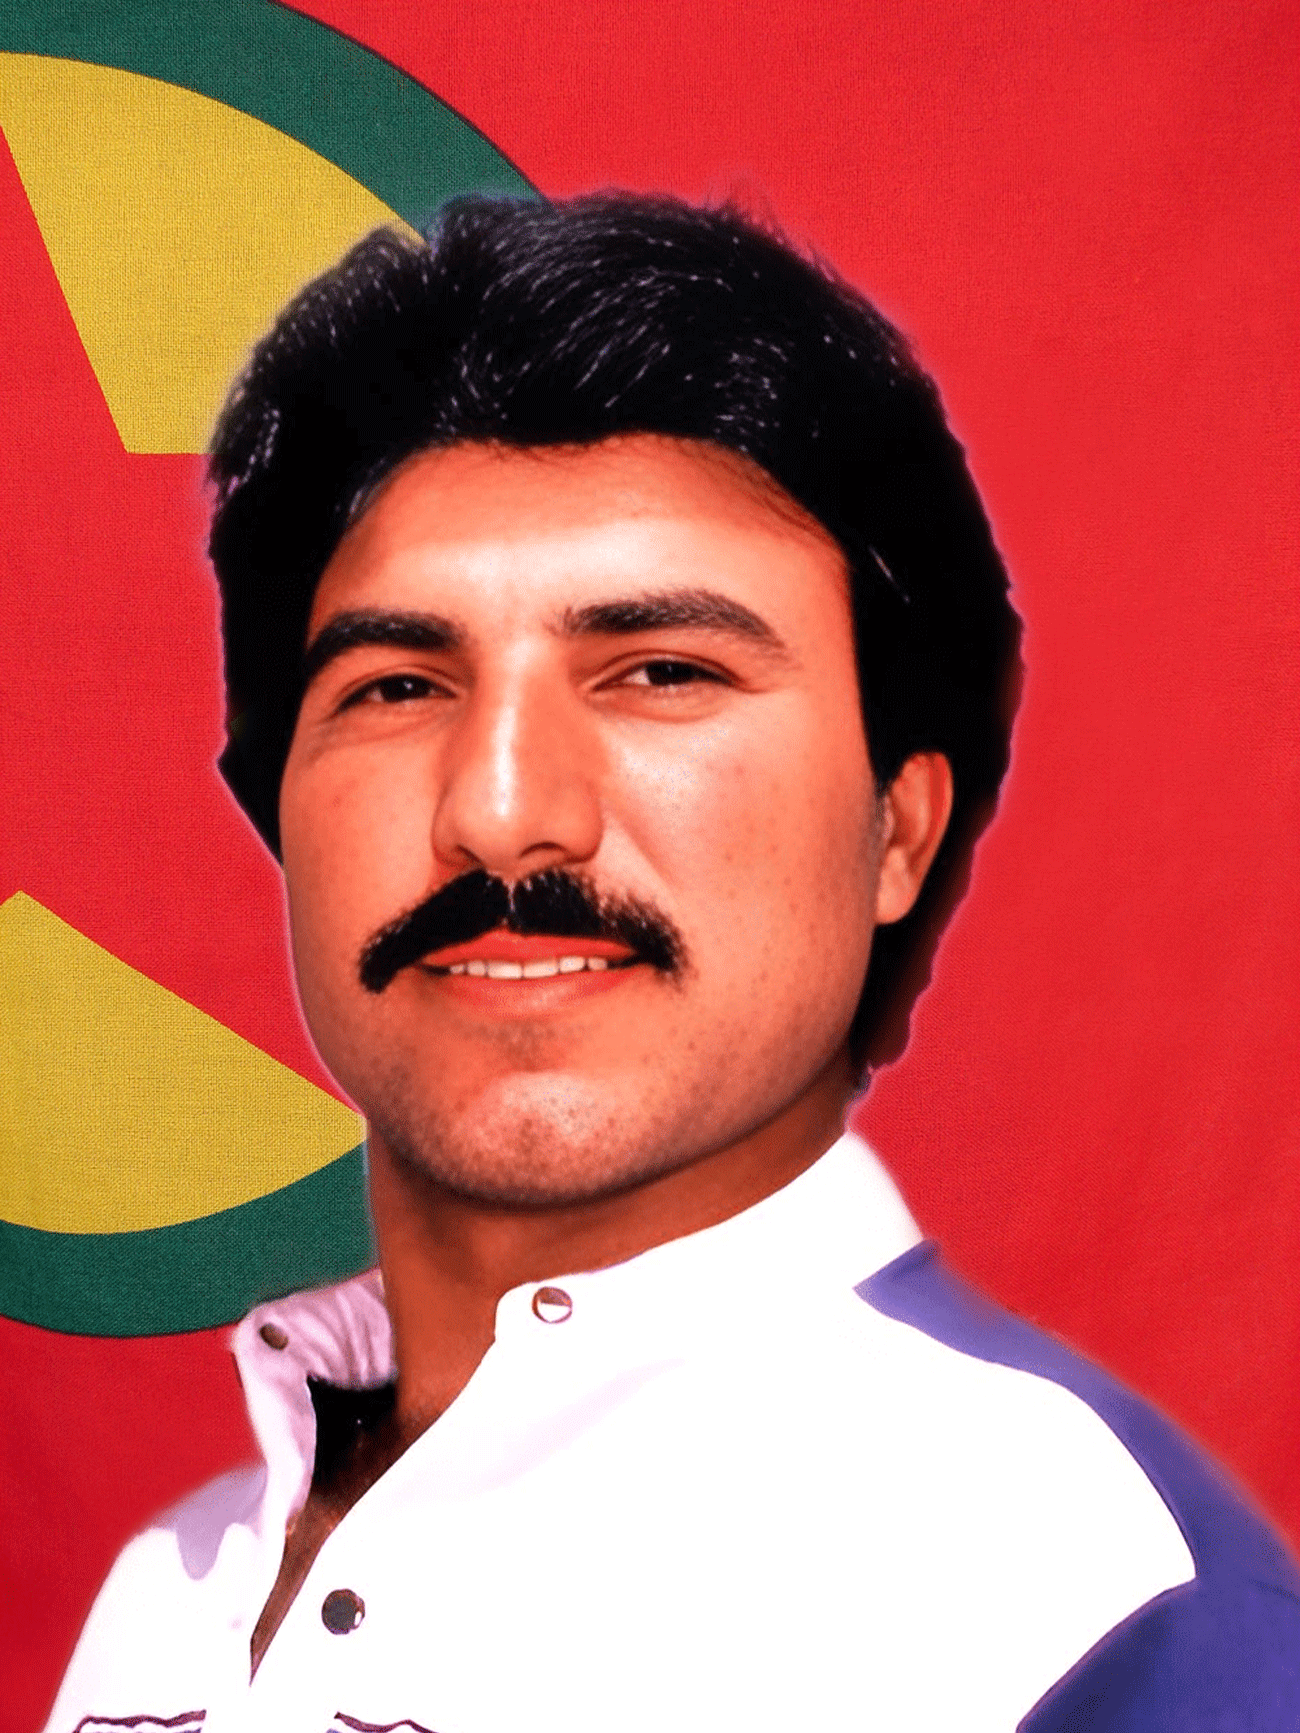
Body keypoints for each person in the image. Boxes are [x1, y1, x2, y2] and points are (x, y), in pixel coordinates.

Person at [44, 193, 1299, 1732]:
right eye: (397, 686)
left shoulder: (1075, 1600)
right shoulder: (164, 1602)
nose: (501, 808)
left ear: (900, 831)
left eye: (659, 671)